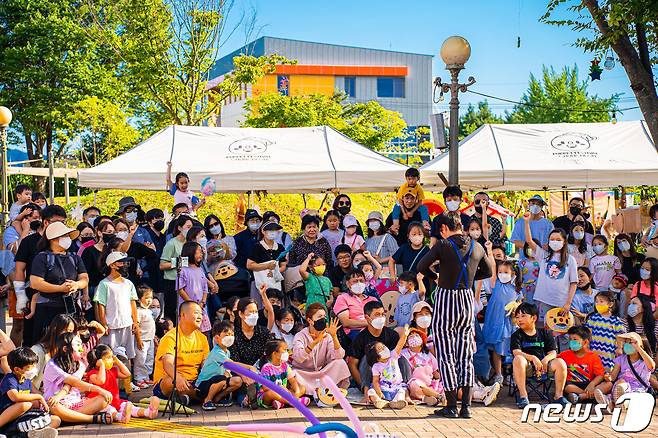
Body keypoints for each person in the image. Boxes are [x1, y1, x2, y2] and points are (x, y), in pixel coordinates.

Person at [416, 212, 491, 419]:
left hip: (446, 298)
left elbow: (421, 267)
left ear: (443, 229)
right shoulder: (477, 246)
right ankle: (466, 407)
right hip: (467, 298)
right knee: (465, 352)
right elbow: (489, 271)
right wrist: (471, 275)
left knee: (446, 353)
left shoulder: (442, 245)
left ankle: (451, 406)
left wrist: (436, 277)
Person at [13, 205, 68, 346]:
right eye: (58, 222)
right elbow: (19, 270)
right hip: (34, 297)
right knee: (33, 338)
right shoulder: (29, 242)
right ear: (46, 222)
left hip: (61, 299)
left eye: (64, 223)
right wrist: (21, 297)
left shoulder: (65, 242)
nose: (61, 226)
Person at [29, 222, 88, 344]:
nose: (68, 239)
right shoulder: (42, 257)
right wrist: (60, 288)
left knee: (69, 344)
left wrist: (76, 285)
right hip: (48, 309)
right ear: (53, 239)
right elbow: (35, 283)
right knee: (46, 344)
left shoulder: (75, 257)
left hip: (70, 309)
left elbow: (84, 278)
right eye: (65, 235)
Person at [43, 333, 113, 425]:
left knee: (104, 399)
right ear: (65, 349)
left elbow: (70, 385)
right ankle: (91, 419)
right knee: (53, 406)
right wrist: (99, 389)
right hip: (57, 404)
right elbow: (74, 382)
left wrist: (101, 391)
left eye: (81, 344)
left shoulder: (80, 366)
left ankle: (69, 418)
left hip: (76, 404)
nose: (81, 348)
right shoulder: (52, 365)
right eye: (77, 344)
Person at [522, 213, 578, 325]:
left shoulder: (570, 260)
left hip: (562, 302)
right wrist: (527, 222)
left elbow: (574, 283)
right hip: (545, 300)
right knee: (548, 329)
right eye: (552, 239)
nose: (555, 242)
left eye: (558, 239)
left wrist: (568, 303)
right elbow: (529, 241)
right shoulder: (543, 256)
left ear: (564, 242)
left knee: (563, 331)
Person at [511, 303, 568, 408]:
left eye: (523, 316)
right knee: (518, 359)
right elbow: (516, 352)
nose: (519, 319)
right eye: (517, 317)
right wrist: (533, 358)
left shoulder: (545, 333)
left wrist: (545, 360)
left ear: (534, 318)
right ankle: (523, 396)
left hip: (544, 367)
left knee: (560, 362)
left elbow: (553, 352)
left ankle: (558, 396)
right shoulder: (517, 335)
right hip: (527, 367)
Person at [152, 301, 210, 404]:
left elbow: (206, 365)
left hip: (194, 382)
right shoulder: (171, 337)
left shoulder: (202, 338)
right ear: (183, 315)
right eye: (196, 313)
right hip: (171, 381)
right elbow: (168, 364)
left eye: (201, 313)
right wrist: (178, 378)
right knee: (170, 382)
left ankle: (187, 397)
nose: (200, 317)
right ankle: (201, 397)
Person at [85, 344, 159, 422]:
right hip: (99, 403)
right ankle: (120, 417)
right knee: (110, 410)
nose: (111, 360)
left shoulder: (112, 371)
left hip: (115, 401)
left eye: (112, 357)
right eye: (108, 358)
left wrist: (118, 362)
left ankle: (148, 412)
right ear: (98, 361)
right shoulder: (92, 374)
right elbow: (101, 381)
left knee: (129, 406)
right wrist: (102, 366)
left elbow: (127, 374)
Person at [291, 304, 350, 397]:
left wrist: (334, 336)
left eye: (324, 317)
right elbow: (298, 358)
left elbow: (338, 356)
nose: (323, 319)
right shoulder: (300, 335)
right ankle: (309, 393)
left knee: (340, 363)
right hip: (303, 374)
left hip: (320, 374)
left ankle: (332, 393)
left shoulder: (327, 336)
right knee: (293, 374)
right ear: (310, 320)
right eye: (319, 317)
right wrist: (315, 342)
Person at [347, 301, 405, 396]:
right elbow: (352, 365)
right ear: (367, 318)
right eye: (377, 315)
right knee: (368, 356)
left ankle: (406, 388)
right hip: (369, 378)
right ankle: (368, 391)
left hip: (390, 377)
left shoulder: (392, 335)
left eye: (383, 314)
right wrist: (362, 384)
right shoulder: (360, 338)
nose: (381, 317)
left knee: (401, 358)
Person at [483, 247, 522, 385]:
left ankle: (511, 374)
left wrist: (516, 309)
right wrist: (488, 249)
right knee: (496, 348)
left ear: (513, 274)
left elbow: (519, 304)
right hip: (495, 320)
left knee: (511, 349)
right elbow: (492, 265)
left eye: (506, 272)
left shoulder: (516, 289)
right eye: (500, 272)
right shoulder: (496, 283)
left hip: (509, 323)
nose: (502, 274)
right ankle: (498, 374)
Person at [0, 347, 61, 433]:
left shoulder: (27, 380)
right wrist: (38, 397)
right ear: (17, 369)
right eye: (30, 367)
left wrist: (51, 400)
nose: (34, 369)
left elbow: (39, 395)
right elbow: (15, 397)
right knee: (25, 405)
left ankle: (33, 433)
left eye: (34, 366)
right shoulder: (10, 379)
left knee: (56, 420)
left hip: (22, 418)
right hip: (7, 415)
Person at [93, 251, 139, 363]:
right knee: (109, 356)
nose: (125, 265)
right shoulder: (104, 284)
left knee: (126, 356)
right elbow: (101, 305)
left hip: (127, 325)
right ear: (112, 265)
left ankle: (126, 379)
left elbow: (132, 303)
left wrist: (135, 322)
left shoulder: (129, 283)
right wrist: (104, 324)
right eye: (122, 263)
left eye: (126, 263)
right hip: (111, 326)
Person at [594, 332, 656, 413]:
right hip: (619, 388)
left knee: (625, 390)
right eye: (626, 343)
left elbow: (652, 366)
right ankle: (609, 404)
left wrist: (638, 348)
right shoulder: (621, 359)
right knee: (620, 384)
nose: (627, 345)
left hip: (637, 389)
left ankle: (620, 403)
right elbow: (613, 375)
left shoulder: (644, 361)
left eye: (630, 343)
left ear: (639, 345)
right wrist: (608, 377)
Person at [194, 320, 245, 410]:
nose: (230, 337)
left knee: (237, 381)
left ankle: (217, 398)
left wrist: (228, 374)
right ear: (217, 338)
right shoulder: (217, 352)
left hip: (217, 383)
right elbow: (231, 364)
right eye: (226, 335)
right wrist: (248, 369)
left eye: (232, 335)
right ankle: (207, 400)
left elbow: (228, 368)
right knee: (221, 379)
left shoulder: (227, 352)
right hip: (202, 386)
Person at [256, 339, 310, 409]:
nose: (287, 353)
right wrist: (279, 388)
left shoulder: (285, 365)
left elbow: (293, 381)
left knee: (302, 388)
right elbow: (265, 388)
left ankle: (281, 402)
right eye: (284, 350)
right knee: (271, 393)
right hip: (267, 396)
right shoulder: (266, 368)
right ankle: (294, 402)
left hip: (284, 393)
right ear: (274, 353)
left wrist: (297, 392)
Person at [366, 325, 411, 410]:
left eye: (384, 347)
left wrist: (404, 335)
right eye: (380, 349)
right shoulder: (376, 366)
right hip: (383, 388)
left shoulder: (393, 356)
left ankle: (397, 402)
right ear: (376, 356)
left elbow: (400, 345)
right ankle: (379, 401)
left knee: (402, 391)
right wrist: (379, 392)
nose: (385, 349)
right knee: (371, 391)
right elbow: (375, 381)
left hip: (396, 387)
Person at [558, 325, 605, 403]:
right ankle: (590, 396)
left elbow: (600, 375)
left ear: (586, 342)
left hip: (588, 384)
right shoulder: (564, 355)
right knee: (567, 387)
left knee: (608, 384)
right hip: (573, 385)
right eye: (570, 339)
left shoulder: (593, 356)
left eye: (575, 339)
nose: (571, 342)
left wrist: (592, 384)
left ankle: (580, 397)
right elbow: (555, 360)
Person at [160, 215, 194, 321]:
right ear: (180, 228)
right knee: (172, 311)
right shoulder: (172, 243)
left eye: (191, 227)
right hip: (172, 281)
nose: (190, 230)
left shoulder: (190, 244)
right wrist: (179, 262)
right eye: (187, 227)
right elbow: (162, 265)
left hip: (187, 281)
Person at [30, 315, 76, 392]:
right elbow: (26, 381)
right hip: (40, 396)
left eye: (71, 332)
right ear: (55, 330)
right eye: (66, 331)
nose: (69, 335)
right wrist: (41, 396)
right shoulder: (38, 351)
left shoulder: (66, 350)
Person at [229, 292, 274, 368]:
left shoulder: (264, 332)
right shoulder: (233, 334)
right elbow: (233, 362)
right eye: (250, 312)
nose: (254, 315)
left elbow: (270, 356)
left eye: (256, 312)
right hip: (240, 373)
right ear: (241, 314)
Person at [401, 328, 444, 407]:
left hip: (430, 383)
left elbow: (435, 371)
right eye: (410, 336)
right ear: (406, 342)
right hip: (414, 384)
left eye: (417, 335)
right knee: (414, 384)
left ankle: (427, 398)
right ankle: (439, 397)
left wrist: (442, 380)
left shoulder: (427, 354)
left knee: (442, 385)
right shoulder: (403, 354)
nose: (414, 337)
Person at [585, 291, 626, 371]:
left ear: (610, 304)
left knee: (606, 370)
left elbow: (619, 335)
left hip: (609, 351)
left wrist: (619, 348)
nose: (598, 304)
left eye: (601, 301)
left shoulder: (615, 320)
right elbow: (588, 332)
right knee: (593, 367)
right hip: (594, 348)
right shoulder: (593, 318)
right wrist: (586, 344)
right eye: (596, 301)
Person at [334, 270, 379, 343]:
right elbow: (346, 322)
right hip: (356, 331)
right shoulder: (343, 298)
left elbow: (381, 317)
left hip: (376, 329)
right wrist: (370, 323)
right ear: (348, 284)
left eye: (361, 281)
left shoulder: (373, 299)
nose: (359, 283)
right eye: (355, 281)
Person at [177, 242, 211, 334]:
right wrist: (192, 305)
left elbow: (205, 288)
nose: (201, 254)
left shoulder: (200, 269)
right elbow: (180, 290)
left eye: (201, 252)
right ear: (190, 253)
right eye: (198, 252)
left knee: (203, 334)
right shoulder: (183, 270)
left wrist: (203, 302)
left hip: (201, 308)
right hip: (188, 309)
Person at [247, 219, 287, 296]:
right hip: (260, 282)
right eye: (269, 230)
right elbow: (249, 265)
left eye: (275, 230)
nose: (272, 232)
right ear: (263, 231)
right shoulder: (257, 247)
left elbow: (283, 265)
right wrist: (267, 266)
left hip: (276, 282)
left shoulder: (280, 247)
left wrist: (276, 271)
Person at [134, 285, 156, 389]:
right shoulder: (138, 311)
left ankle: (146, 376)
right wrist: (138, 339)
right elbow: (136, 326)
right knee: (140, 360)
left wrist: (154, 337)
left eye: (151, 298)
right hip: (142, 340)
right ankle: (139, 378)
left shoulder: (149, 311)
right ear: (139, 299)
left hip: (150, 339)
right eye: (147, 298)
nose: (149, 300)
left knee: (149, 359)